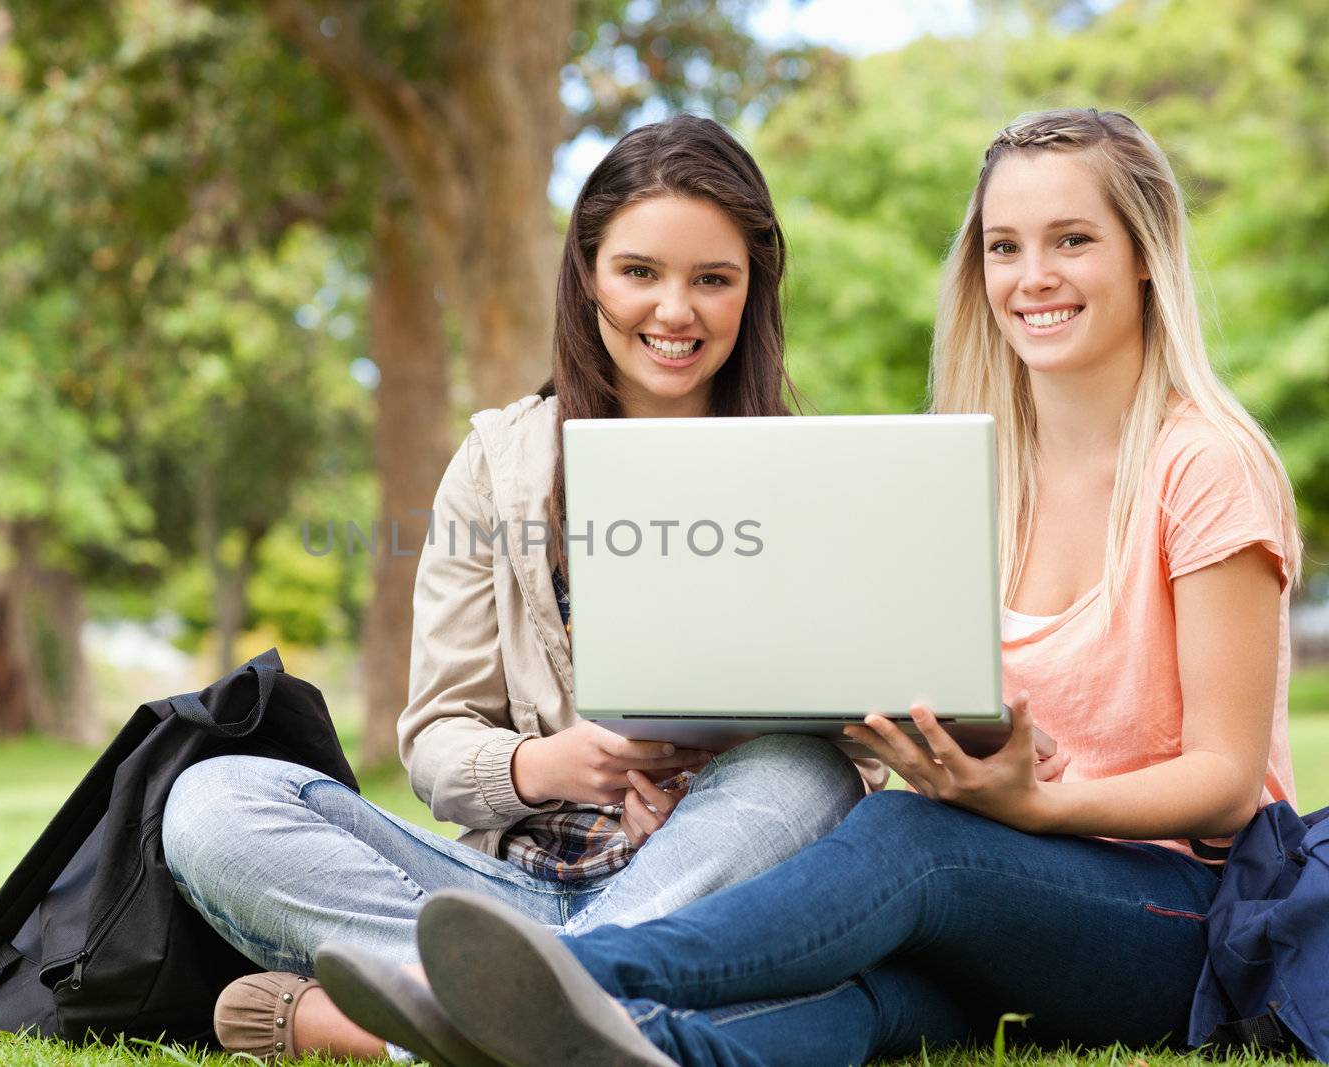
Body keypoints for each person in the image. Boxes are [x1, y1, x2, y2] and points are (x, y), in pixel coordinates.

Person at [321, 107, 1304, 1067]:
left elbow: (1223, 785)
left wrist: (1028, 806)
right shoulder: (967, 472)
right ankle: (586, 1043)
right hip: (1001, 896)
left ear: (1142, 253)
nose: (1031, 276)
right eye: (1003, 246)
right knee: (851, 1000)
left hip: (1181, 912)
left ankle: (575, 967)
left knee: (907, 835)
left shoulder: (1205, 464)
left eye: (1071, 240)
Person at [159, 114, 889, 1063]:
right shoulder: (497, 462)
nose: (676, 310)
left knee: (809, 773)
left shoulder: (812, 472)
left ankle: (463, 1017)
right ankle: (548, 1004)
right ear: (587, 277)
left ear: (753, 291)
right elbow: (432, 740)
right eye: (640, 272)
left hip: (705, 883)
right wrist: (553, 766)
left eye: (713, 278)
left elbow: (860, 762)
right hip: (499, 892)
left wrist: (710, 792)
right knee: (213, 799)